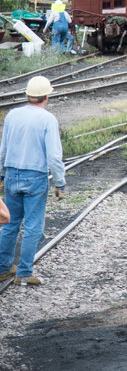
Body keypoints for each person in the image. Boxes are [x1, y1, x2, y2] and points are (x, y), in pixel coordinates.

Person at [0, 76, 66, 286]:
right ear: (46, 96)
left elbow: (3, 149)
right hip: (35, 177)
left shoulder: (12, 115)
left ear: (28, 95)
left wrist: (2, 175)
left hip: (11, 174)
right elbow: (54, 157)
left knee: (9, 222)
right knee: (33, 227)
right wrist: (59, 182)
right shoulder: (47, 119)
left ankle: (3, 268)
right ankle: (25, 273)